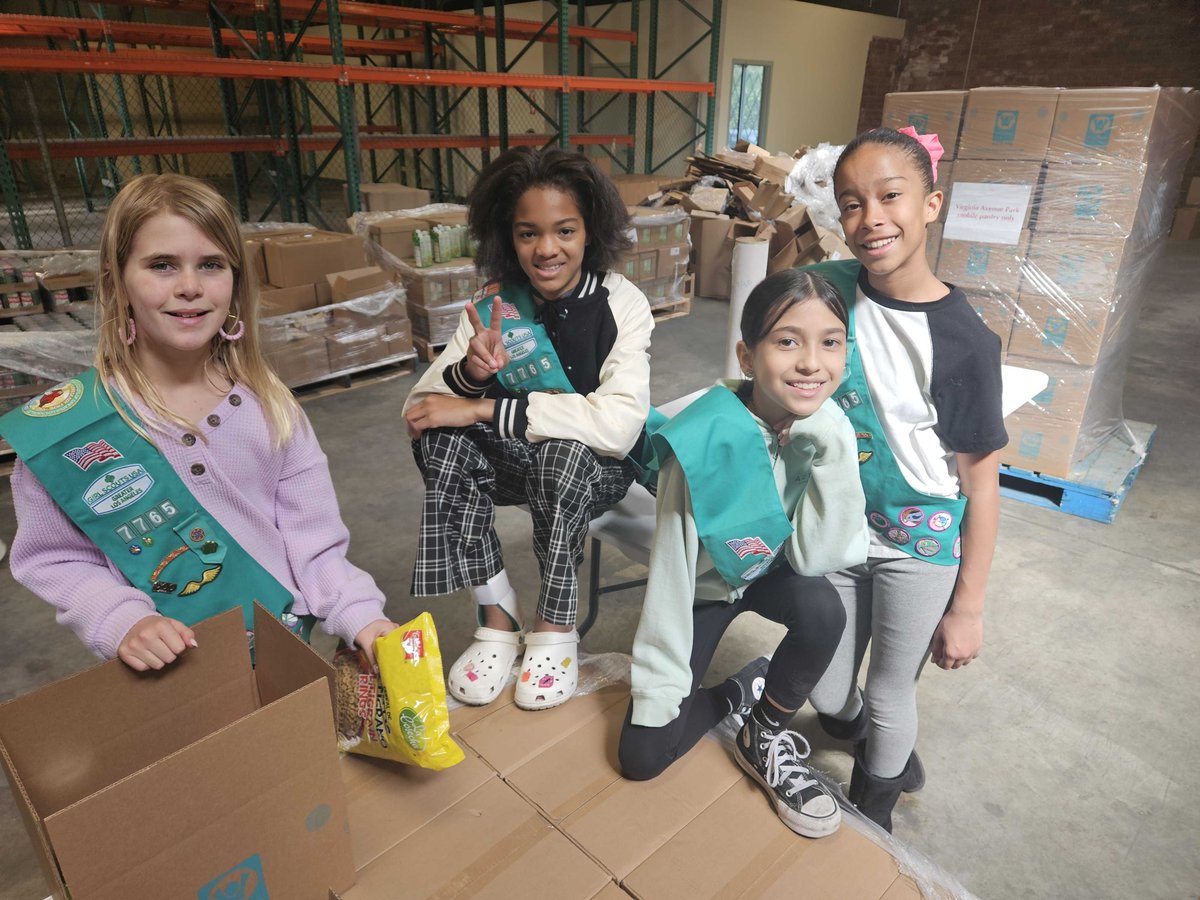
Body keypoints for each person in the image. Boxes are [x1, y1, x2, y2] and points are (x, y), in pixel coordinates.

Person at [1, 174, 396, 671]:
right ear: (116, 280)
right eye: (161, 265)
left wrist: (361, 616)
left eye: (211, 265)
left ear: (235, 282)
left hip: (283, 649)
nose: (189, 287)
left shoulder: (271, 408)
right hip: (166, 675)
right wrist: (121, 619)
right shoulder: (66, 431)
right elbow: (52, 558)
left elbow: (313, 542)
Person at [803, 127, 1007, 832]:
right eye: (851, 203)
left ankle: (876, 806)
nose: (871, 218)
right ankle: (880, 748)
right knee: (829, 690)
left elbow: (982, 482)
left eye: (891, 196)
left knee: (891, 692)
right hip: (839, 529)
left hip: (919, 544)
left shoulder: (965, 341)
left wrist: (968, 608)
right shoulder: (827, 291)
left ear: (931, 204)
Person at [620, 269, 869, 839]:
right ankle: (745, 685)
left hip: (769, 569)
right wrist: (659, 688)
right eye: (787, 341)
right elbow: (672, 578)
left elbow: (816, 557)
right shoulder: (704, 442)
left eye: (830, 342)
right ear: (748, 355)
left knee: (824, 608)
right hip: (704, 587)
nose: (811, 363)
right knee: (643, 757)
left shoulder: (824, 426)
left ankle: (764, 729)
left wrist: (832, 450)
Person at [403, 147, 654, 711]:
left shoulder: (622, 303)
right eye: (527, 233)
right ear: (506, 237)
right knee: (439, 441)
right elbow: (421, 407)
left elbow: (615, 426)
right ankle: (496, 612)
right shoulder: (497, 304)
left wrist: (484, 409)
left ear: (591, 230)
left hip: (597, 471)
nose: (546, 249)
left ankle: (554, 623)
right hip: (521, 464)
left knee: (562, 454)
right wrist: (469, 375)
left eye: (564, 230)